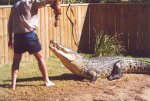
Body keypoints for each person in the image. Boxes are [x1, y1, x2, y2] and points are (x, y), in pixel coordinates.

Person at [8, 0, 61, 90]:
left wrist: (10, 38)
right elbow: (49, 1)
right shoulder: (32, 2)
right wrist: (56, 5)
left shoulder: (15, 6)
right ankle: (47, 81)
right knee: (40, 58)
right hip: (29, 35)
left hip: (17, 36)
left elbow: (9, 24)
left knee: (16, 60)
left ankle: (13, 85)